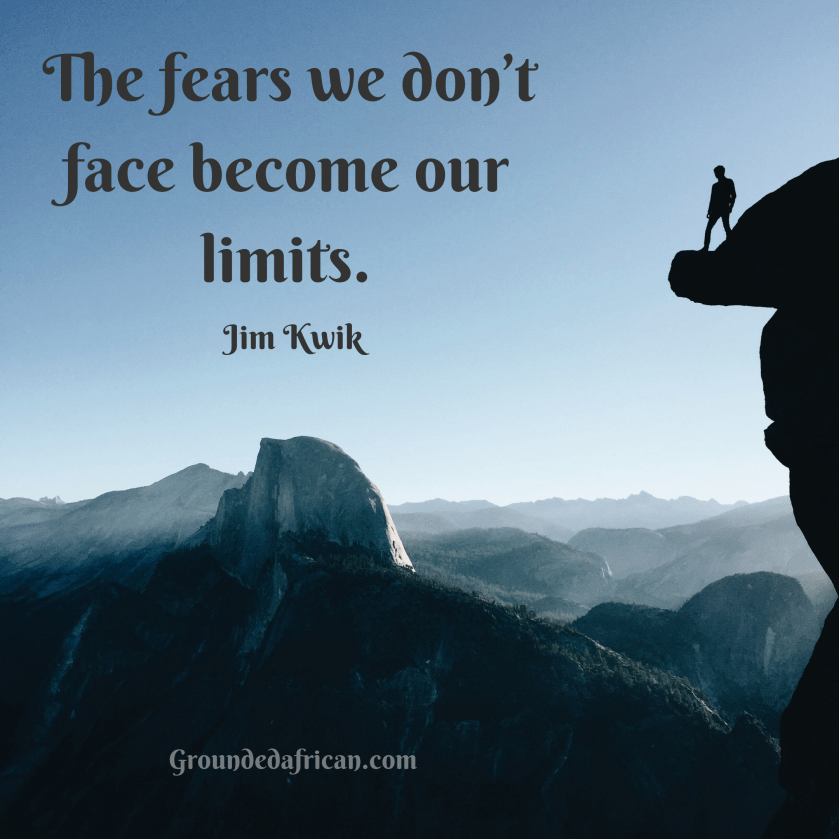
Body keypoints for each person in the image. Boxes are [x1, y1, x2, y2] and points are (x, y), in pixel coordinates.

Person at [702, 165, 736, 251]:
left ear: (722, 172)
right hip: (716, 209)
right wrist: (709, 211)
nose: (715, 174)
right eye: (715, 173)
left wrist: (730, 206)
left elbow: (734, 195)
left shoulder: (729, 181)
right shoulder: (715, 186)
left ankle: (731, 243)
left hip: (724, 207)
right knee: (708, 228)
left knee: (726, 226)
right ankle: (706, 247)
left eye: (716, 172)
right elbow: (712, 199)